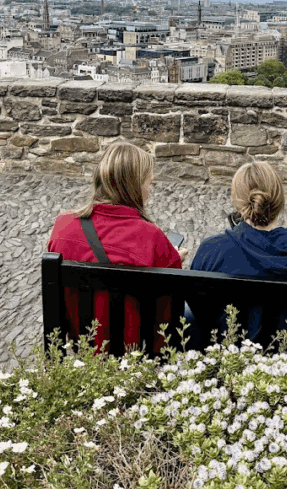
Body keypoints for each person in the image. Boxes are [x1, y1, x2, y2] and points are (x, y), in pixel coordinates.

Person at [47, 141, 187, 353]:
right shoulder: (153, 239)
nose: (150, 190)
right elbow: (165, 322)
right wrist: (171, 260)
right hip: (131, 357)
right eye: (150, 183)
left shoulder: (63, 227)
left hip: (81, 349)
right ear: (135, 187)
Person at [188, 161, 287, 350]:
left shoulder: (212, 250)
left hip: (230, 352)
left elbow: (199, 308)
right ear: (279, 199)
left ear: (237, 201)